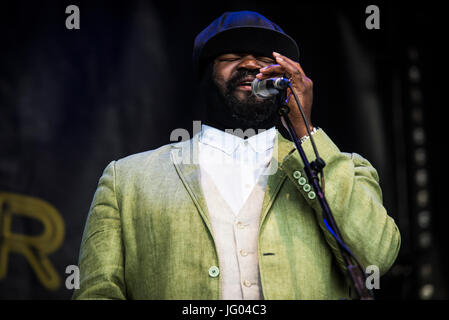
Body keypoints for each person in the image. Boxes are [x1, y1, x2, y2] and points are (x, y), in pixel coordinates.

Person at [73, 11, 400, 300]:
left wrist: (305, 130)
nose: (250, 64)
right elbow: (98, 292)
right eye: (231, 56)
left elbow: (375, 260)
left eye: (265, 59)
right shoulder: (127, 180)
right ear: (205, 75)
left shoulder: (345, 169)